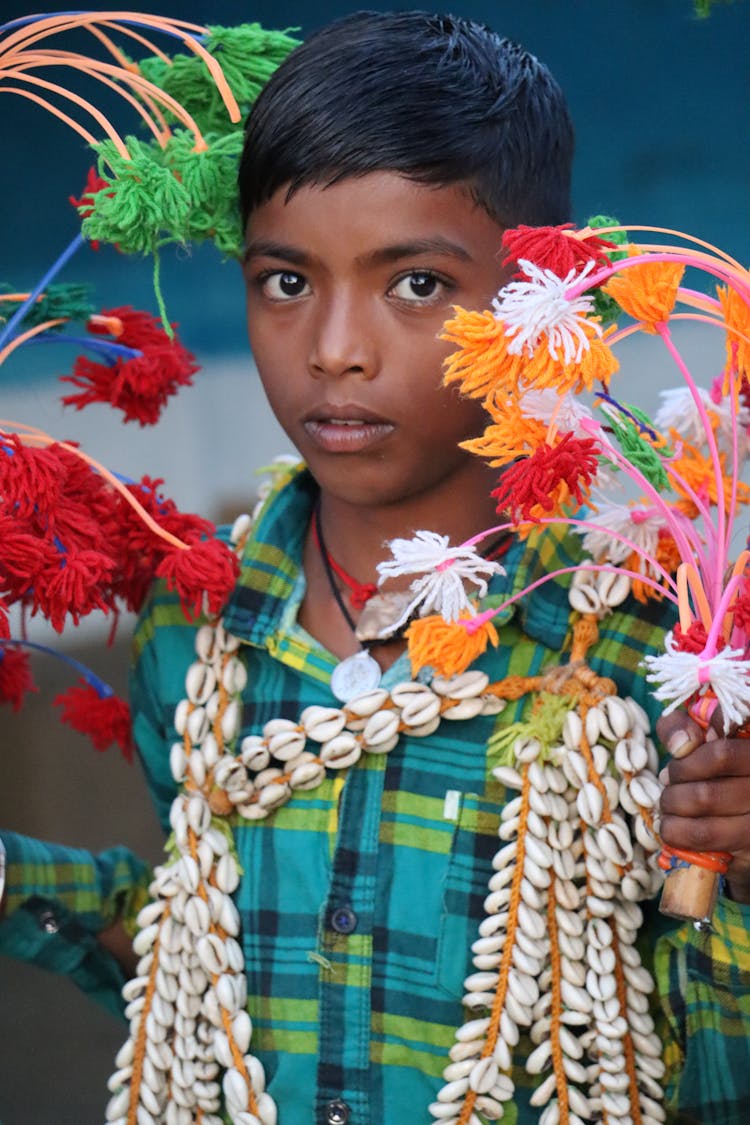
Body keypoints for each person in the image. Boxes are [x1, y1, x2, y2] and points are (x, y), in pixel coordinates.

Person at [2, 10, 750, 1125]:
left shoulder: (656, 649)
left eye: (414, 286)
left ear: (540, 301)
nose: (334, 347)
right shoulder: (197, 627)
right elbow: (196, 956)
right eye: (287, 282)